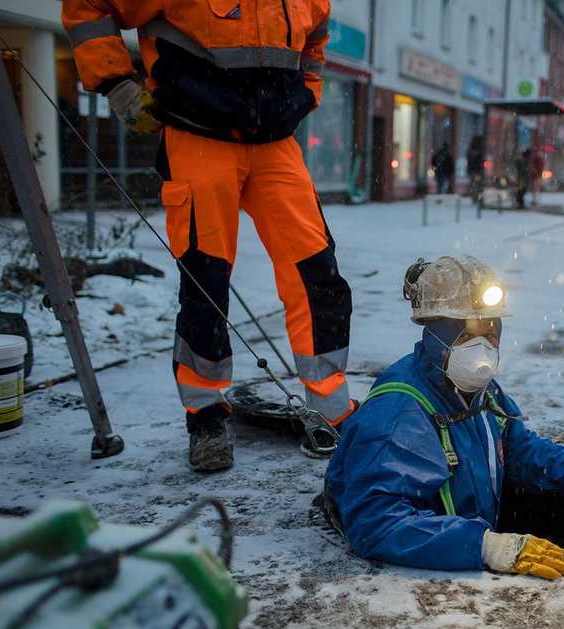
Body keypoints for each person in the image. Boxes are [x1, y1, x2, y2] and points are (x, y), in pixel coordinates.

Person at [62, 0, 354, 471]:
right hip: (198, 135)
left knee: (316, 270)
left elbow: (316, 38)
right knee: (206, 280)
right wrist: (117, 82)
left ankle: (332, 407)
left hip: (275, 143)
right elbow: (88, 6)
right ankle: (205, 415)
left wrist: (307, 92)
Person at [324, 256, 564, 580]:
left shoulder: (476, 388)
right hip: (428, 574)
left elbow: (513, 444)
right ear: (436, 333)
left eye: (491, 328)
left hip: (465, 539)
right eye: (466, 333)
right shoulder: (399, 413)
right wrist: (483, 546)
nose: (483, 345)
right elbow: (376, 522)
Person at [466, 135, 485, 201]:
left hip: (472, 170)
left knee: (474, 184)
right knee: (478, 185)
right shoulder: (481, 151)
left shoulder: (470, 150)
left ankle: (474, 197)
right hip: (478, 170)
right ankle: (478, 197)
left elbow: (469, 161)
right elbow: (481, 161)